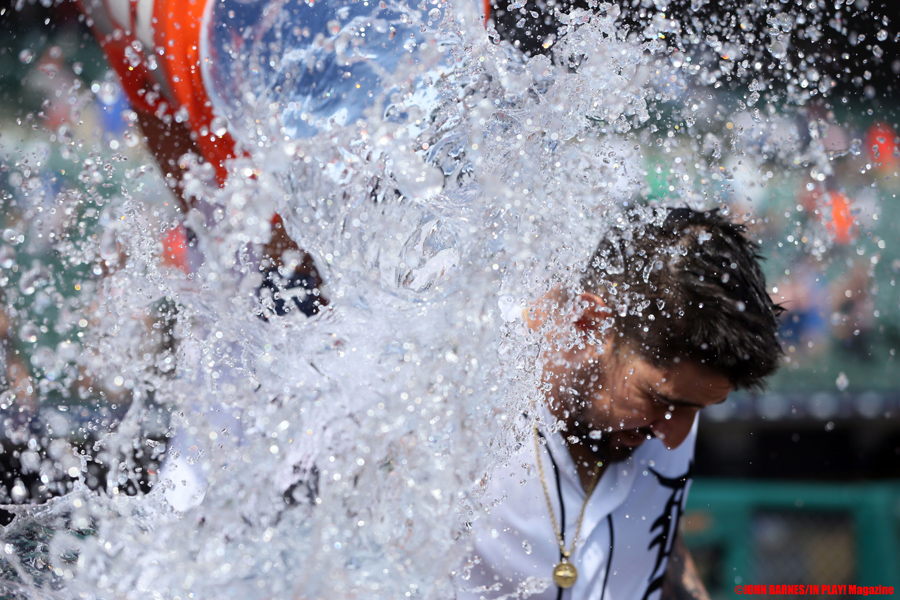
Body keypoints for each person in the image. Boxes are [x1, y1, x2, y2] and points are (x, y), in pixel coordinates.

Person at [457, 207, 783, 600]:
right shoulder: (457, 397)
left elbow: (655, 541)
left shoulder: (668, 405)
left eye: (698, 410)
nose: (676, 438)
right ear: (588, 325)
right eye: (660, 400)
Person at [76, 0, 323, 318]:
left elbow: (161, 126)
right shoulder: (204, 46)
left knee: (264, 257)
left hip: (199, 44)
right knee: (275, 258)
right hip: (209, 48)